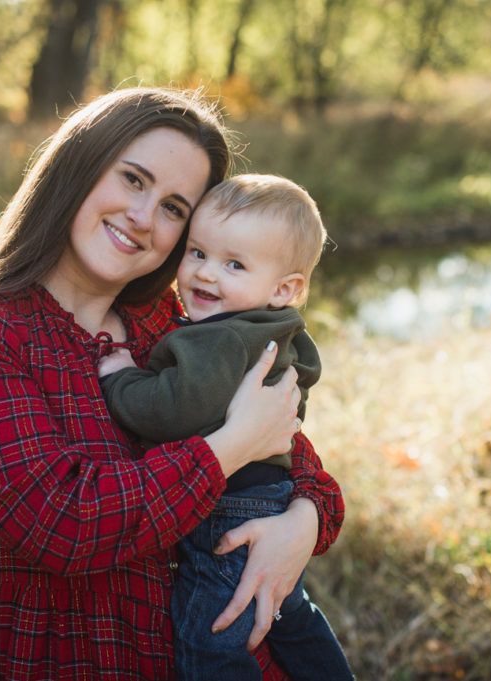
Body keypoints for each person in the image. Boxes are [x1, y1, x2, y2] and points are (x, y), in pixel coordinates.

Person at [0, 87, 344, 680]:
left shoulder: (174, 322)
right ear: (77, 167)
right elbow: (64, 526)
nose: (143, 218)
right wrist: (229, 448)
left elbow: (298, 460)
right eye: (133, 180)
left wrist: (300, 524)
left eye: (174, 208)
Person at [97, 174, 354, 681]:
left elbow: (172, 408)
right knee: (287, 613)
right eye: (197, 253)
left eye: (234, 264)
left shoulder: (217, 340)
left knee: (210, 637)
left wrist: (120, 377)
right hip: (271, 497)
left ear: (285, 288)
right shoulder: (276, 330)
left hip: (227, 513)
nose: (206, 275)